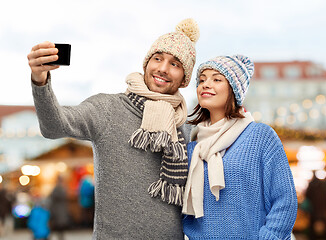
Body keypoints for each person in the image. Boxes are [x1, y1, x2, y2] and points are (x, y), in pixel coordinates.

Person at [27, 18, 199, 239]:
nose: (163, 69)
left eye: (175, 64)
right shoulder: (107, 109)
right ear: (146, 63)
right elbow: (53, 126)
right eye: (158, 58)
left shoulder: (183, 124)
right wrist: (40, 80)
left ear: (184, 78)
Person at [182, 55, 298, 239]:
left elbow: (285, 201)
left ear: (234, 89)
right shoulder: (192, 147)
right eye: (202, 80)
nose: (205, 84)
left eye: (216, 79)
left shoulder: (261, 136)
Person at [305, 171, 326, 240]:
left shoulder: (311, 185)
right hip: (322, 211)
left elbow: (307, 196)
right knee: (325, 229)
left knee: (313, 231)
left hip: (313, 211)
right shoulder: (323, 185)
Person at [48, 176, 70, 240]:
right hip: (59, 210)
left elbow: (52, 197)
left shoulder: (58, 188)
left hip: (58, 210)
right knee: (58, 226)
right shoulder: (60, 188)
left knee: (57, 226)